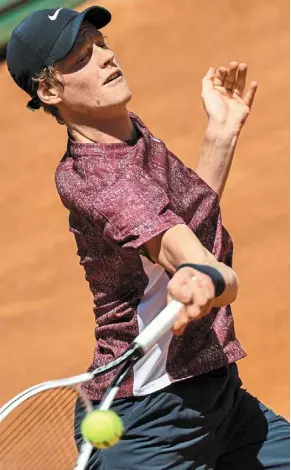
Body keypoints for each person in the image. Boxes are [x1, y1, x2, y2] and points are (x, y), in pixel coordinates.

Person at [6, 5, 289, 469]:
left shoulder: (125, 136)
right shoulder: (99, 178)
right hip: (150, 421)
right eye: (81, 58)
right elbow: (195, 257)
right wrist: (202, 273)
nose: (106, 58)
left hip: (215, 396)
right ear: (50, 88)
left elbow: (183, 225)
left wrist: (220, 135)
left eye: (101, 45)